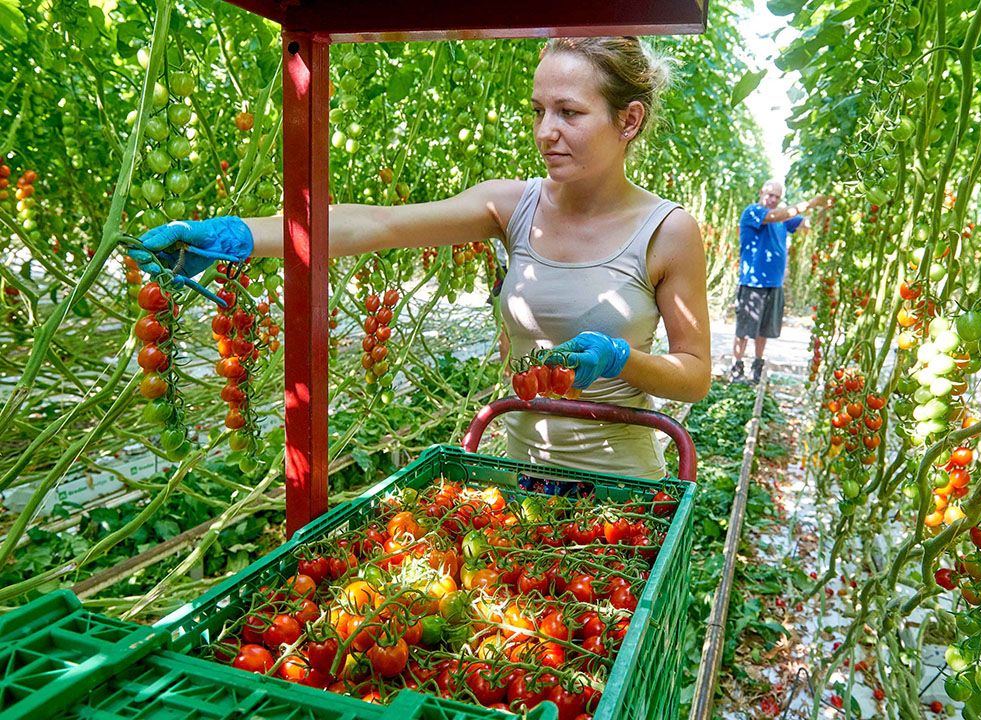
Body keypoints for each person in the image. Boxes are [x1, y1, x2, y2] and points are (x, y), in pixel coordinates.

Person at [128, 36, 712, 482]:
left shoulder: (666, 230)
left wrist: (621, 359)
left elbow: (694, 376)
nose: (545, 132)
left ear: (628, 120)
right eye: (538, 111)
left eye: (569, 113)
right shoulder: (511, 205)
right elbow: (378, 223)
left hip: (620, 490)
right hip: (518, 480)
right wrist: (234, 236)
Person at [730, 179, 830, 384]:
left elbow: (808, 225)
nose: (773, 199)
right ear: (761, 193)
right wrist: (810, 203)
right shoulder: (753, 212)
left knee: (764, 329)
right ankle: (737, 368)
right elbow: (777, 215)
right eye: (770, 194)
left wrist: (825, 209)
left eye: (777, 196)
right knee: (744, 331)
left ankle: (757, 367)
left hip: (774, 284)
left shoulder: (784, 220)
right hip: (753, 283)